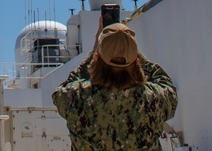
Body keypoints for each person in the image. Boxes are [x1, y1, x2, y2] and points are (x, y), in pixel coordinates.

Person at [52, 21, 177, 151]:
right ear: (137, 61)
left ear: (96, 58)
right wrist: (131, 49)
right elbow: (167, 87)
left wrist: (96, 48)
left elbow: (61, 91)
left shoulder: (76, 97)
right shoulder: (154, 99)